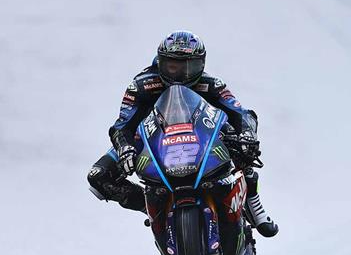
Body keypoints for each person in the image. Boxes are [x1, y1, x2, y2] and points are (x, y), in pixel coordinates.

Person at [87, 30, 278, 237]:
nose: (181, 74)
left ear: (201, 64)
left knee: (242, 146)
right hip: (148, 139)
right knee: (98, 176)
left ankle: (253, 202)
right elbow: (122, 125)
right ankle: (152, 207)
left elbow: (242, 114)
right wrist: (125, 148)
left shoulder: (211, 84)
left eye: (189, 66)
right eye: (173, 66)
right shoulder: (140, 85)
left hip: (201, 135)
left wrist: (248, 136)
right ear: (161, 62)